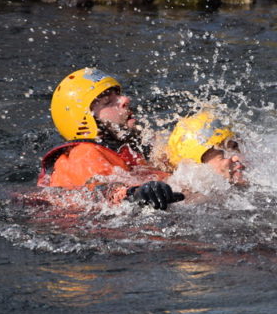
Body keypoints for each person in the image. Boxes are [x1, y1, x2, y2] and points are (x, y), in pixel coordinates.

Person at [37, 68, 184, 210]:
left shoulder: (128, 148)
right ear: (86, 123)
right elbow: (102, 193)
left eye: (118, 95)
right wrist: (135, 194)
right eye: (108, 102)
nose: (125, 99)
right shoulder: (84, 155)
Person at [164, 109, 246, 186]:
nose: (236, 157)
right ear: (198, 168)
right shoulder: (193, 197)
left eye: (235, 146)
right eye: (222, 154)